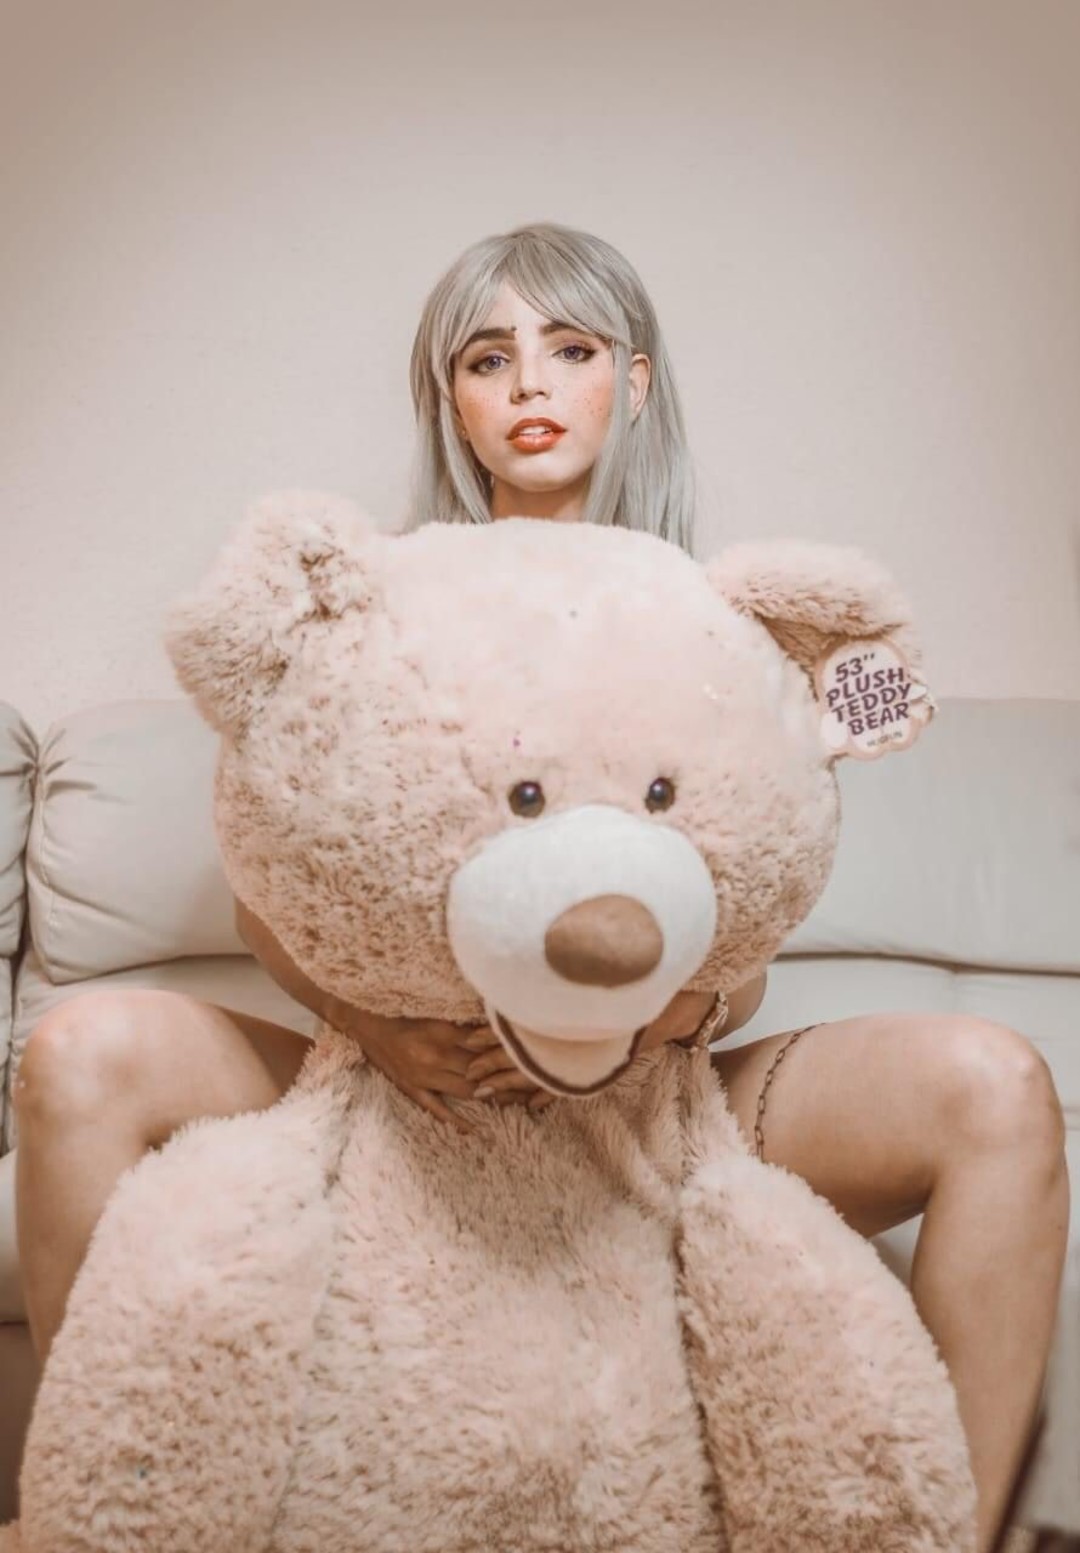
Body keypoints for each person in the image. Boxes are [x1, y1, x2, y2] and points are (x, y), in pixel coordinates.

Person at [13, 222, 1068, 1553]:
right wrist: (383, 1028)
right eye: (486, 357)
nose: (528, 383)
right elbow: (269, 902)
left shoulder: (713, 615)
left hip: (662, 1093)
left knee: (996, 1085)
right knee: (78, 1054)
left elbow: (749, 904)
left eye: (570, 349)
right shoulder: (377, 605)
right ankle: (105, 1516)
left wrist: (682, 1012)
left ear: (634, 381)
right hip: (397, 1087)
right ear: (447, 396)